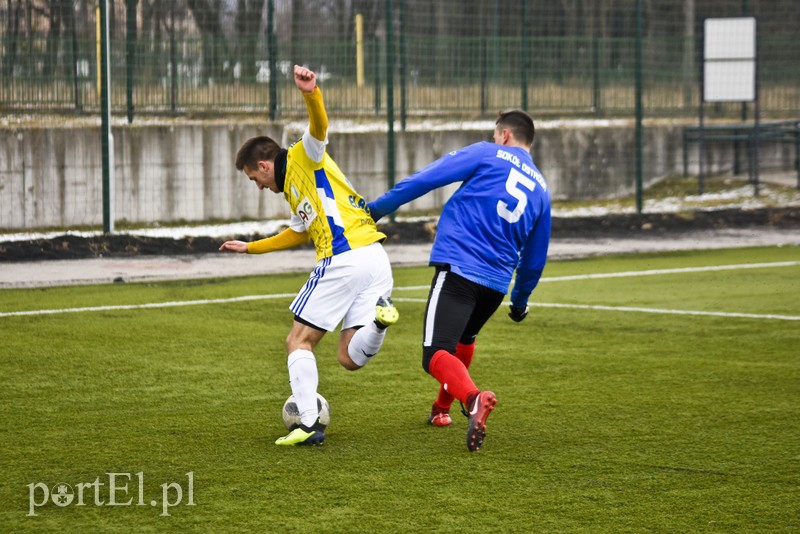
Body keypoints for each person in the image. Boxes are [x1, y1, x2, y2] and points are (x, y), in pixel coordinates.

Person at [220, 65, 399, 447]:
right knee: (350, 357)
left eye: (255, 179)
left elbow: (318, 126)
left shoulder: (305, 155)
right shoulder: (295, 191)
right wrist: (250, 247)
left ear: (265, 166)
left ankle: (308, 424)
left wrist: (311, 92)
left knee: (297, 341)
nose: (258, 186)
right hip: (376, 260)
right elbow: (295, 234)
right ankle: (381, 323)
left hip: (344, 256)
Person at [368, 110, 551, 452]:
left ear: (505, 136)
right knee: (464, 338)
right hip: (496, 284)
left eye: (497, 135)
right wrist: (520, 300)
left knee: (435, 353)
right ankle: (440, 410)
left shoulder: (487, 152)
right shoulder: (542, 189)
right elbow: (535, 258)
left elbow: (428, 178)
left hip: (460, 269)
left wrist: (378, 208)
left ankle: (472, 399)